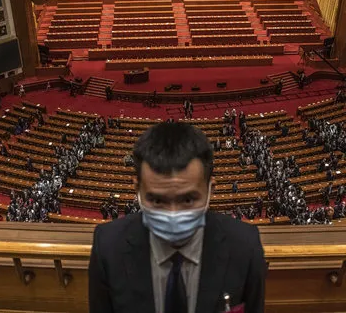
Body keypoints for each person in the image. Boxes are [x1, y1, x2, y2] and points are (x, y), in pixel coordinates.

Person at [89, 122, 265, 313]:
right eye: (157, 200)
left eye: (188, 199)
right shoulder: (108, 246)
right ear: (137, 190)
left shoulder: (245, 246)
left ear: (210, 190)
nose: (173, 214)